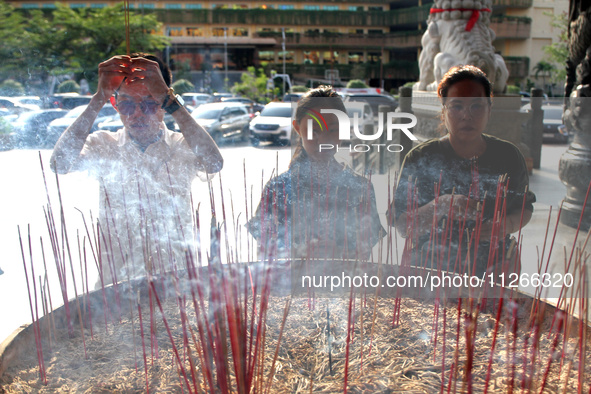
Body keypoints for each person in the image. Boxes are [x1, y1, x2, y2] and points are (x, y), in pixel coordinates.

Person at [50, 53, 223, 285]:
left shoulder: (182, 145)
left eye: (150, 104)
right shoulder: (104, 144)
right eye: (127, 105)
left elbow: (214, 163)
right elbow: (59, 164)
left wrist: (171, 101)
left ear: (163, 105)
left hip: (177, 283)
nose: (137, 114)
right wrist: (99, 97)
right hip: (116, 285)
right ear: (115, 105)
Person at [391, 65, 535, 277]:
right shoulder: (421, 157)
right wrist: (441, 205)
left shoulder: (508, 156)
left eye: (476, 106)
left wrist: (503, 226)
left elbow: (524, 208)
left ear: (489, 110)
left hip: (492, 268)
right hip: (430, 269)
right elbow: (402, 225)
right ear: (444, 111)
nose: (467, 116)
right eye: (456, 106)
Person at [247, 86, 385, 261]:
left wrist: (339, 254)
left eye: (332, 130)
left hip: (343, 284)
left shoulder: (360, 188)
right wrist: (297, 254)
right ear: (297, 128)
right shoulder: (278, 189)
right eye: (314, 131)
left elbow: (366, 253)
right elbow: (263, 253)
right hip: (291, 286)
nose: (323, 140)